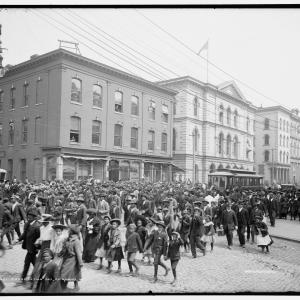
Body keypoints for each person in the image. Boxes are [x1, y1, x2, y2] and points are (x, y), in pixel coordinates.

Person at [18, 210, 41, 285]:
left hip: (33, 249)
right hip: (28, 247)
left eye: (30, 218)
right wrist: (19, 239)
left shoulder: (37, 226)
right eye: (28, 217)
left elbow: (39, 238)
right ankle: (36, 277)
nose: (28, 219)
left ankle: (25, 278)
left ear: (35, 218)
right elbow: (24, 234)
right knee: (34, 263)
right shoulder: (28, 224)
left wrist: (37, 248)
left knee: (28, 263)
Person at [60, 225, 83, 292]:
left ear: (72, 231)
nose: (68, 231)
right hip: (66, 258)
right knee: (69, 272)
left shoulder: (76, 241)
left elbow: (78, 253)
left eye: (69, 230)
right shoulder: (67, 239)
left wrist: (80, 262)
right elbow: (64, 249)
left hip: (73, 259)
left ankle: (75, 286)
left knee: (70, 272)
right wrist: (60, 253)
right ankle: (64, 286)